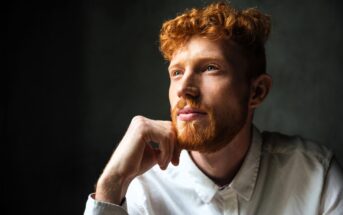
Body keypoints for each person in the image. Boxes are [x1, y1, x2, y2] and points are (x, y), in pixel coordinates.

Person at [84, 2, 343, 214]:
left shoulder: (316, 176)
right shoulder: (141, 190)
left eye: (210, 68)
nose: (184, 88)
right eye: (176, 72)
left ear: (257, 91)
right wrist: (111, 182)